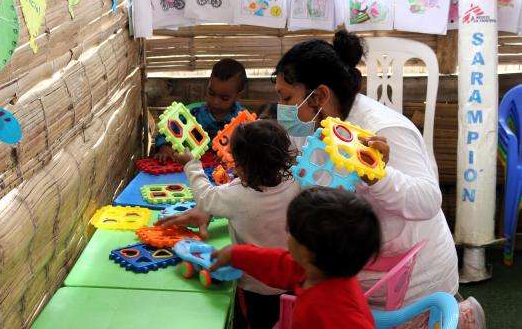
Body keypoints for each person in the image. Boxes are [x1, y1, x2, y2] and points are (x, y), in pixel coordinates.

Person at [274, 30, 462, 305]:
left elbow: (428, 201)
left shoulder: (382, 129)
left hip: (412, 285)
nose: (282, 108)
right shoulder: (309, 125)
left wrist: (378, 177)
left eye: (287, 98)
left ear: (319, 96)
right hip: (350, 273)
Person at [156, 120, 301, 329]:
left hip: (254, 286)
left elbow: (205, 197)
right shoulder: (295, 183)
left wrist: (192, 165)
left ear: (241, 167)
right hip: (290, 277)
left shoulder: (236, 195)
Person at [211, 187, 380, 329]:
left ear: (306, 252)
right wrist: (236, 254)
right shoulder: (319, 270)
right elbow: (279, 265)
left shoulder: (331, 312)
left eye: (290, 232)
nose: (288, 238)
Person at [155, 58, 247, 162]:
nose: (216, 101)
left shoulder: (243, 122)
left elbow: (251, 147)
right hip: (190, 170)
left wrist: (234, 153)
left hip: (228, 174)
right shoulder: (194, 113)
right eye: (211, 93)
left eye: (224, 98)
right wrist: (165, 146)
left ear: (238, 96)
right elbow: (166, 131)